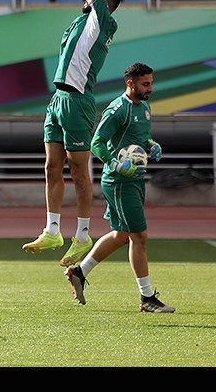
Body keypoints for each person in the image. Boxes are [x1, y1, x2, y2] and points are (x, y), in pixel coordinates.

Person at [22, 0, 122, 268]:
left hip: (78, 101)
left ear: (105, 6)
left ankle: (82, 234)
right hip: (58, 98)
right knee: (52, 166)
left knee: (79, 169)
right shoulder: (86, 18)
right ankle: (52, 229)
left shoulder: (102, 23)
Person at [64, 63, 174, 313]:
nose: (150, 88)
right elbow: (97, 143)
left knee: (122, 235)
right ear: (130, 83)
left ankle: (79, 272)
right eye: (145, 84)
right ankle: (147, 298)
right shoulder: (117, 110)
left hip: (135, 179)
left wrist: (150, 145)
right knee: (140, 237)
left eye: (151, 83)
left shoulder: (144, 106)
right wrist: (114, 162)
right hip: (119, 182)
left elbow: (139, 138)